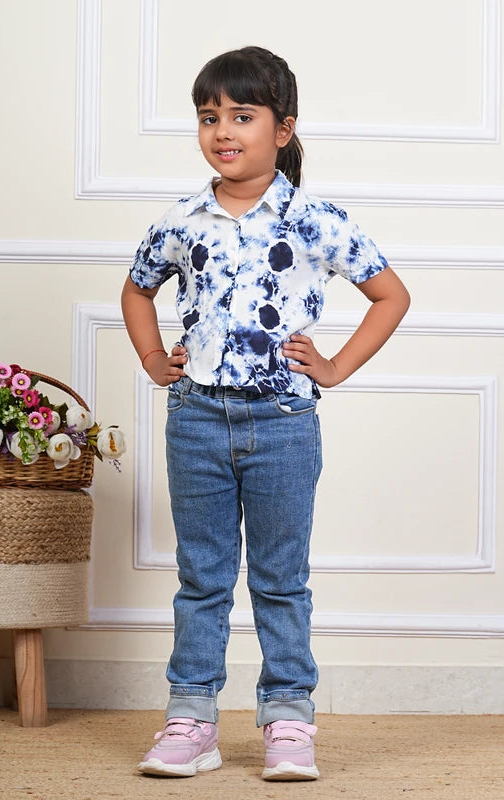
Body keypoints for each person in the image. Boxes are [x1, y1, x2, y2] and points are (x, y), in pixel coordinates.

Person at [121, 45, 410, 781]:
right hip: (196, 419)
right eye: (208, 116)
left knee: (281, 579)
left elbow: (390, 295)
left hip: (283, 422)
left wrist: (335, 368)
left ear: (282, 129)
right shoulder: (183, 218)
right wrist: (154, 359)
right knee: (202, 578)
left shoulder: (315, 219)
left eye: (241, 116)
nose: (222, 130)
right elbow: (137, 289)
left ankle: (288, 718)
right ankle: (191, 719)